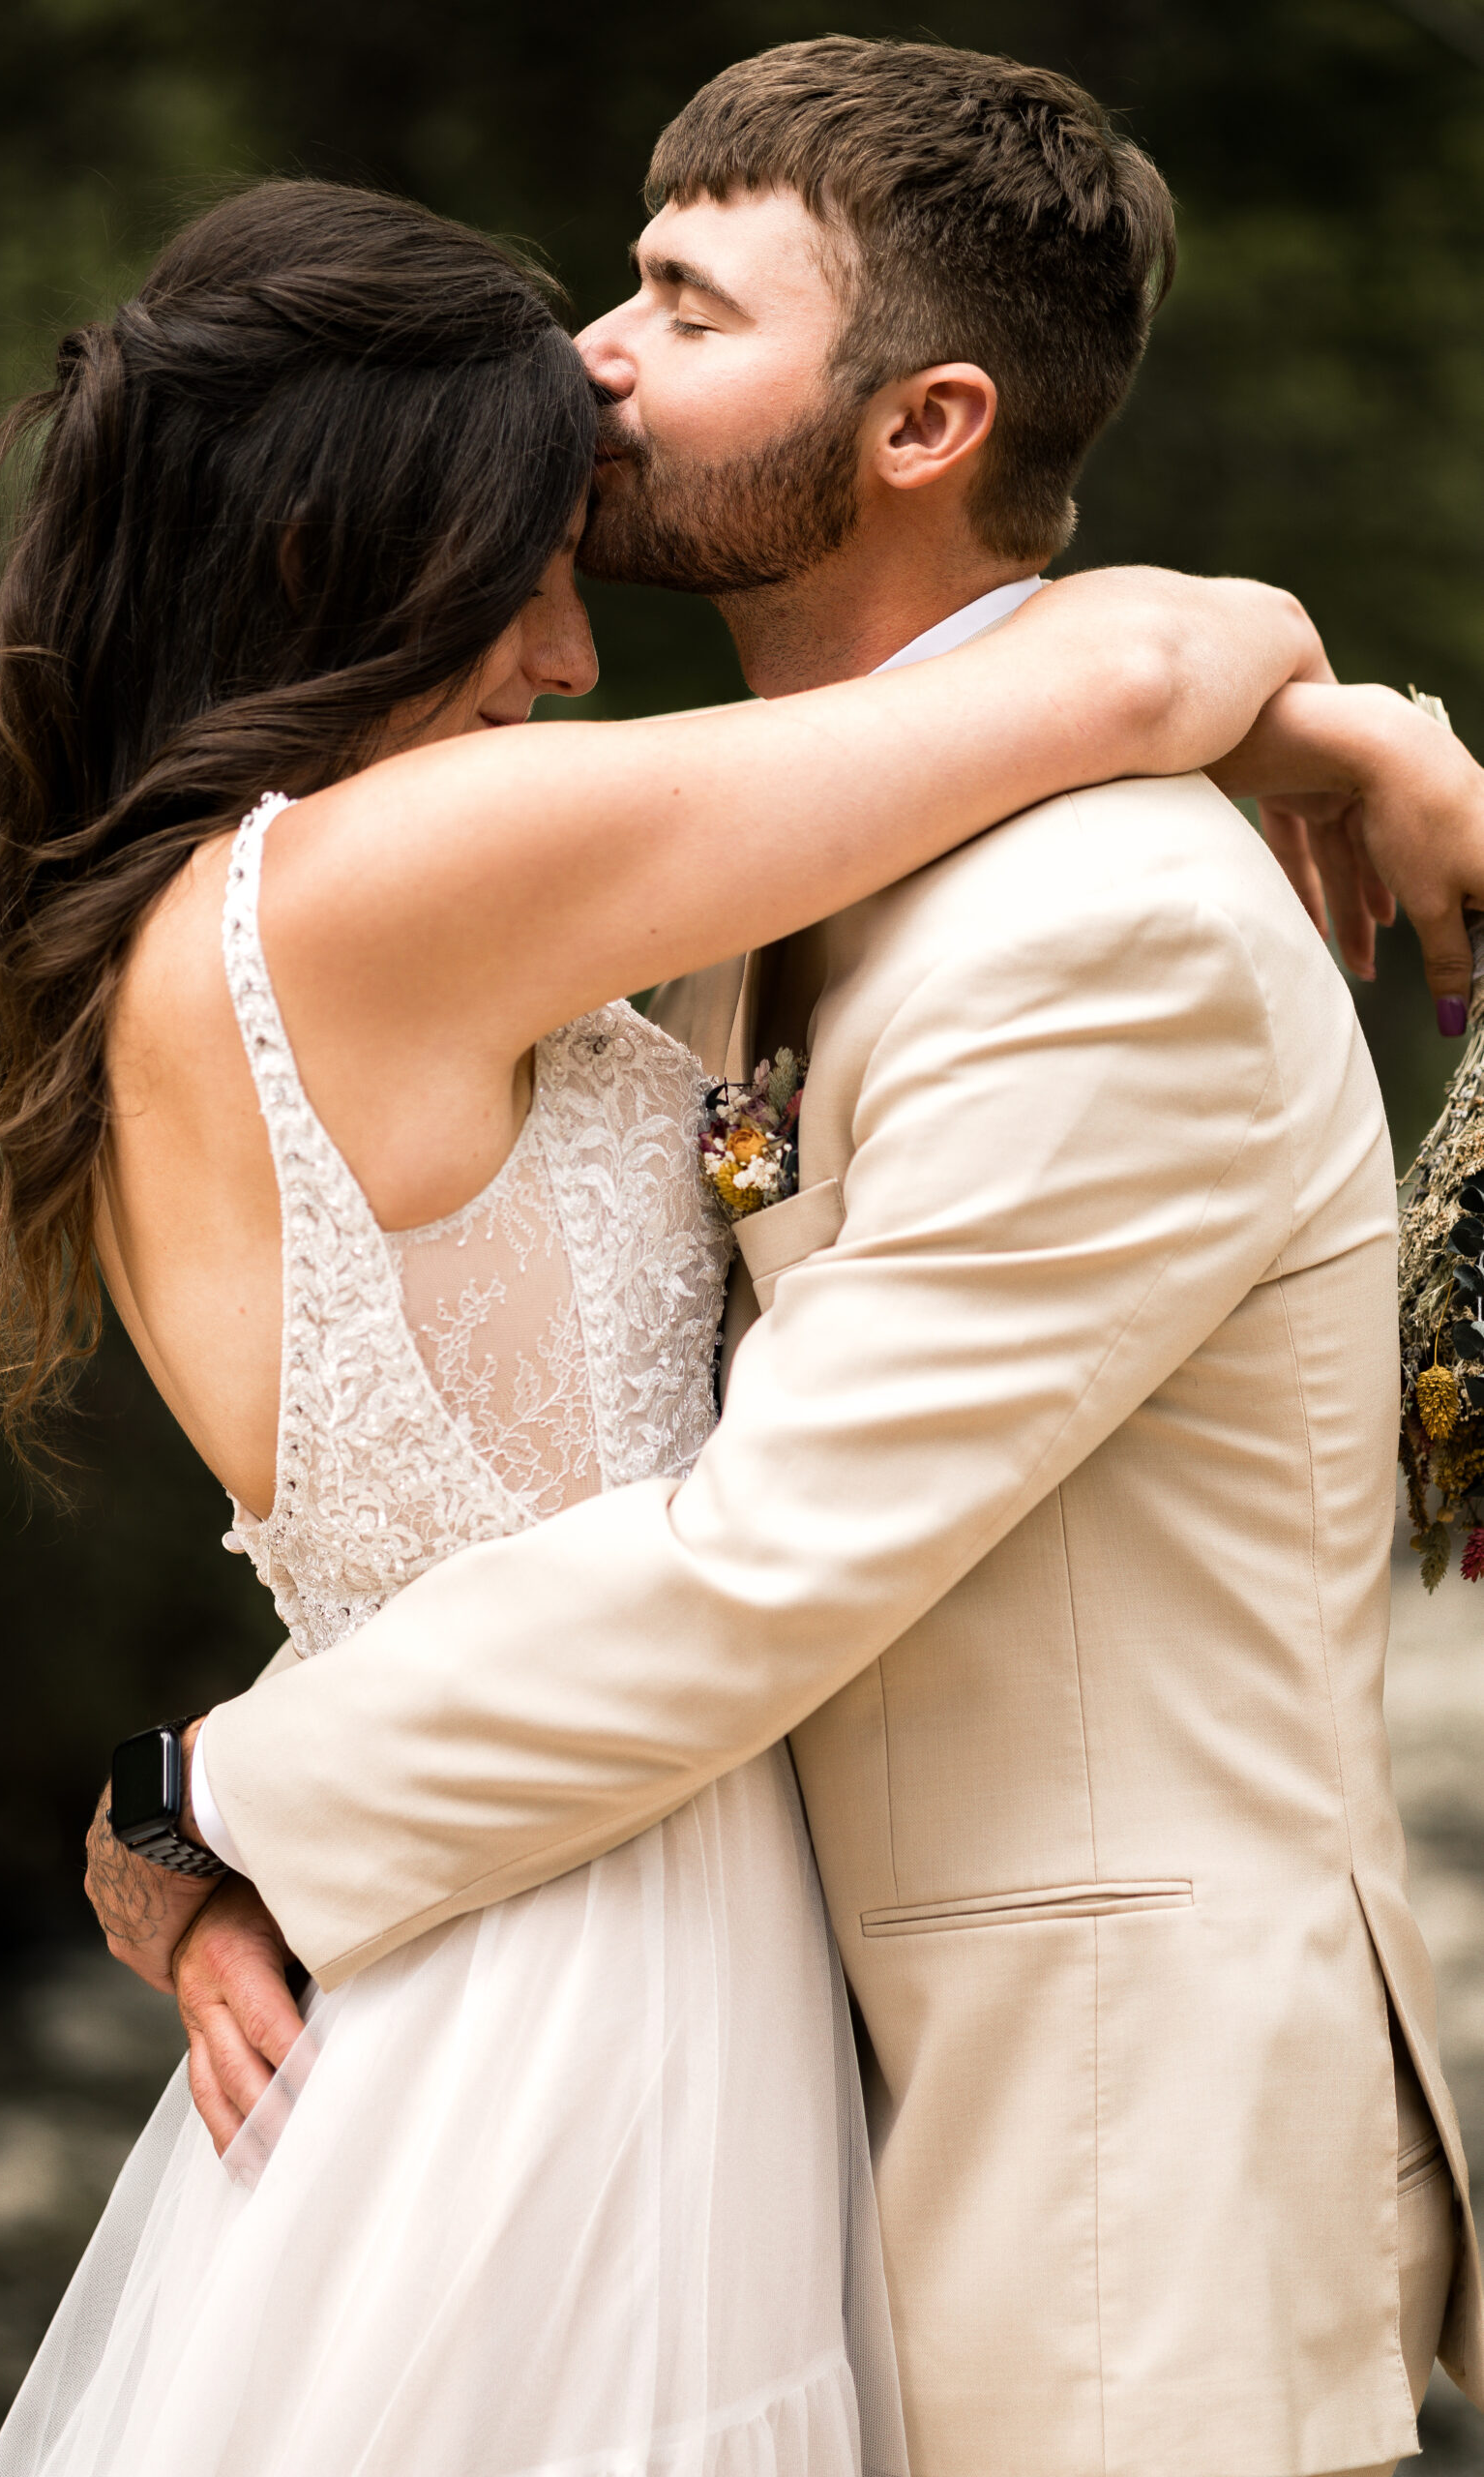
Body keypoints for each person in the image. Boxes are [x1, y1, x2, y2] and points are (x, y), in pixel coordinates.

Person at [150, 43, 1484, 2477]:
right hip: (772, 2138)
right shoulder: (777, 875)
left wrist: (214, 1792)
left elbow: (770, 1552)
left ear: (918, 422)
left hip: (1104, 2235)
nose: (591, 360)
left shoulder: (1102, 926)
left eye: (683, 301)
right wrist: (1330, 713)